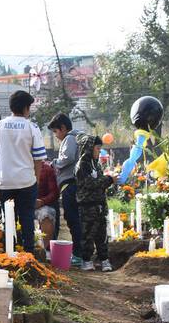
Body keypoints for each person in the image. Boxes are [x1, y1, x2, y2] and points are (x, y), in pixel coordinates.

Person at [0, 90, 46, 253]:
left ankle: (10, 251)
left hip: (5, 182)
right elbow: (39, 158)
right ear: (26, 108)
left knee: (8, 218)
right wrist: (36, 178)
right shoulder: (32, 127)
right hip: (27, 180)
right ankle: (28, 252)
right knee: (27, 216)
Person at [49, 112, 89, 268]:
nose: (56, 135)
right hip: (78, 184)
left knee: (73, 219)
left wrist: (54, 163)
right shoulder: (79, 137)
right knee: (77, 219)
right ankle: (81, 253)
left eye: (55, 131)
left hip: (70, 185)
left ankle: (78, 254)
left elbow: (68, 158)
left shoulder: (70, 139)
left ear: (63, 128)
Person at [75, 136, 113, 272]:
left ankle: (104, 260)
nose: (99, 151)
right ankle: (86, 260)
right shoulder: (82, 165)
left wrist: (106, 180)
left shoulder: (95, 163)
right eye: (97, 148)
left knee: (102, 234)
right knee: (88, 234)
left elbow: (99, 181)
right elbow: (89, 183)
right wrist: (109, 179)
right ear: (89, 148)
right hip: (88, 205)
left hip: (99, 204)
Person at [35, 158, 59, 246]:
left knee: (46, 214)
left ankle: (45, 251)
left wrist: (42, 201)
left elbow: (55, 193)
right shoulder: (21, 168)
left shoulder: (47, 169)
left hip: (42, 205)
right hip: (24, 204)